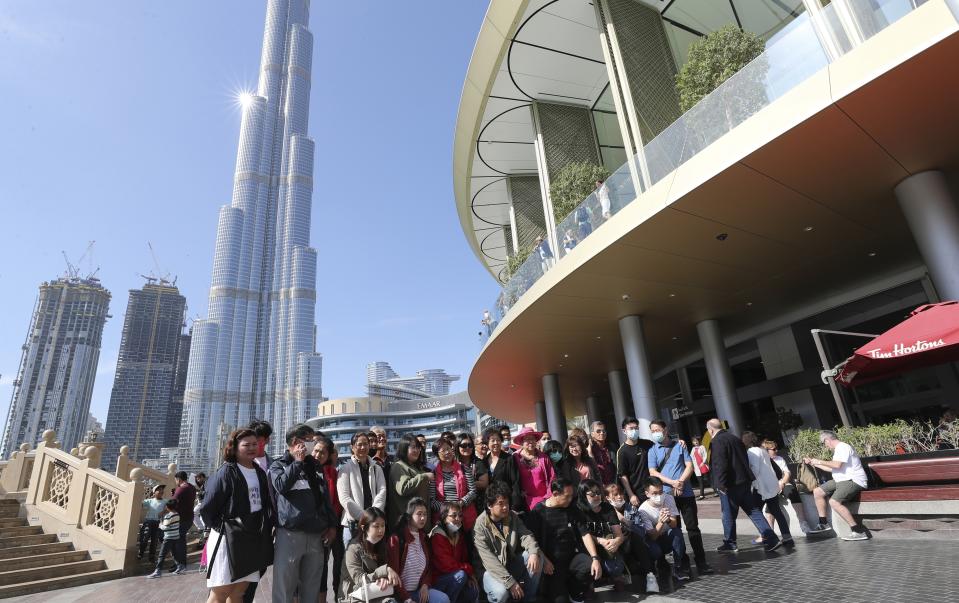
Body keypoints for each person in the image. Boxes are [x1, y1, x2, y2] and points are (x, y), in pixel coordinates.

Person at [200, 428, 275, 602]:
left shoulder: (260, 472)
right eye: (246, 445)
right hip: (228, 539)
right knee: (220, 592)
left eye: (254, 444)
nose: (251, 448)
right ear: (234, 447)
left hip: (251, 538)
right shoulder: (226, 472)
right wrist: (226, 528)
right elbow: (208, 509)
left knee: (239, 592)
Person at [269, 423, 338, 602]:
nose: (312, 445)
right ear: (295, 441)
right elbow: (280, 486)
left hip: (316, 535)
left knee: (312, 587)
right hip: (290, 535)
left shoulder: (315, 466)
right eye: (308, 441)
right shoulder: (278, 465)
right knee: (285, 587)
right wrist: (298, 462)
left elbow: (325, 498)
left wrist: (332, 525)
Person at [647, 420, 712, 576]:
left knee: (693, 528)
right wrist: (673, 483)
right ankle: (682, 562)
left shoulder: (679, 445)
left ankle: (701, 561)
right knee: (675, 529)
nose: (656, 432)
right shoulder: (652, 450)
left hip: (686, 493)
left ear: (665, 429)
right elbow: (653, 472)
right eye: (653, 430)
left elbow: (689, 465)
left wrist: (681, 482)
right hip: (667, 496)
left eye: (658, 429)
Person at [705, 418, 779, 552]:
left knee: (728, 514)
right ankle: (772, 538)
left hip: (729, 484)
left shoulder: (717, 441)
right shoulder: (734, 438)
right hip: (743, 482)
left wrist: (720, 484)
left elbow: (720, 463)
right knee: (754, 511)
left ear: (710, 430)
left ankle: (730, 543)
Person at [526, 478, 602, 603]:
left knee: (589, 566)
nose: (570, 499)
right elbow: (531, 540)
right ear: (555, 494)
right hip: (551, 566)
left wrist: (595, 558)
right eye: (567, 496)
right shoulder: (538, 511)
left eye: (572, 496)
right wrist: (544, 560)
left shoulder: (572, 509)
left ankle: (575, 591)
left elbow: (585, 534)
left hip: (572, 557)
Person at [473, 481, 542, 603]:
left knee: (535, 556)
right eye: (500, 504)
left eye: (507, 503)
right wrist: (510, 582)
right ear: (489, 505)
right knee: (501, 593)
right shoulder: (479, 526)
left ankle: (529, 599)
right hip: (490, 571)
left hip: (508, 565)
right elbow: (489, 560)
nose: (505, 507)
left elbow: (526, 535)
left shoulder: (511, 516)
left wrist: (533, 552)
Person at [805, 430, 870, 540]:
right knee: (818, 491)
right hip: (841, 479)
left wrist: (819, 461)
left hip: (853, 480)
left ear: (827, 440)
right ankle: (823, 523)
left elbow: (837, 464)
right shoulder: (838, 449)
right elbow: (832, 468)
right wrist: (814, 463)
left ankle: (858, 531)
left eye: (824, 443)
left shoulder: (843, 447)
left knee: (834, 502)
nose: (825, 446)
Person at [387, 498, 446, 603]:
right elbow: (394, 574)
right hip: (400, 594)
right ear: (409, 516)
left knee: (443, 599)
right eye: (419, 514)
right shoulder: (396, 539)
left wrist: (425, 585)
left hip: (419, 591)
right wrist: (406, 598)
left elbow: (429, 568)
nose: (423, 518)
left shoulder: (424, 538)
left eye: (425, 514)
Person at [241, 420, 275, 603]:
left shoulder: (274, 465)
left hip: (264, 531)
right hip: (242, 531)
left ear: (267, 440)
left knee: (256, 573)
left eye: (259, 441)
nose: (255, 445)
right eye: (251, 441)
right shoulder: (236, 465)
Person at [741, 431, 794, 547]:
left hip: (761, 487)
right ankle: (787, 537)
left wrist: (748, 480)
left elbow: (755, 469)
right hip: (772, 485)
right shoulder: (762, 450)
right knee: (777, 512)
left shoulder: (751, 452)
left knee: (755, 512)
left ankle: (767, 537)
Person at [604, 482, 658, 594]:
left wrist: (623, 520)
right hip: (616, 546)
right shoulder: (604, 511)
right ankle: (619, 577)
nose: (619, 497)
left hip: (632, 543)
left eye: (620, 494)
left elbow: (641, 532)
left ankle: (650, 575)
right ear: (607, 498)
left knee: (644, 543)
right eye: (615, 495)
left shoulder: (631, 509)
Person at [340, 507, 402, 603]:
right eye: (376, 526)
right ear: (364, 528)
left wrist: (384, 579)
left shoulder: (381, 545)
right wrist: (384, 571)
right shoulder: (353, 549)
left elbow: (385, 575)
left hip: (376, 593)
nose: (381, 530)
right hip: (354, 596)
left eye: (383, 525)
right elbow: (360, 580)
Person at [339, 432, 388, 547]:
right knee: (353, 560)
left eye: (365, 444)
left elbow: (382, 491)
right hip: (353, 525)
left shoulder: (377, 468)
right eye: (359, 444)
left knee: (374, 561)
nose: (363, 447)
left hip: (374, 524)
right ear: (352, 447)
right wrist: (365, 518)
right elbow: (344, 497)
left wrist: (373, 517)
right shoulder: (345, 469)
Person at [575, 479, 627, 587]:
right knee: (588, 567)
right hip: (588, 547)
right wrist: (599, 541)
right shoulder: (579, 510)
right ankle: (590, 583)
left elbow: (619, 534)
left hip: (607, 545)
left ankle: (613, 575)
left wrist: (616, 542)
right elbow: (583, 535)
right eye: (592, 494)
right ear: (583, 495)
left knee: (616, 568)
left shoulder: (607, 508)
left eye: (598, 492)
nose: (597, 496)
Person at [637, 477, 688, 584]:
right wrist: (660, 522)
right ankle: (652, 566)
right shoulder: (643, 510)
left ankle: (678, 567)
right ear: (647, 494)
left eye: (661, 492)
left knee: (677, 533)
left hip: (666, 536)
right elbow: (652, 536)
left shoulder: (669, 499)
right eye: (654, 493)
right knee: (654, 550)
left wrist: (668, 519)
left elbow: (674, 524)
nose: (659, 496)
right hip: (653, 540)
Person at [430, 501, 480, 603]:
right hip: (437, 580)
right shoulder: (437, 536)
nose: (458, 519)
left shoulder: (458, 534)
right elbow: (447, 566)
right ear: (444, 517)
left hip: (454, 575)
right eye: (453, 516)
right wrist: (468, 570)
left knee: (473, 591)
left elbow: (464, 558)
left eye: (460, 515)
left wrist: (469, 575)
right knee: (460, 576)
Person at [315, 435, 345, 603]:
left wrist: (332, 525)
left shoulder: (333, 472)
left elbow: (337, 501)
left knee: (339, 565)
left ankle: (338, 597)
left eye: (324, 451)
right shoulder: (307, 470)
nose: (319, 454)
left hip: (335, 527)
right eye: (317, 450)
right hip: (317, 529)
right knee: (321, 568)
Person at [762, 439, 811, 534]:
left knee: (792, 492)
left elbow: (787, 473)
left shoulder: (779, 459)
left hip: (782, 483)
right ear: (766, 451)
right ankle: (770, 533)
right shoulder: (763, 462)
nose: (776, 451)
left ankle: (803, 523)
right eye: (773, 449)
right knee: (769, 506)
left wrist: (782, 483)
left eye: (776, 448)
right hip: (769, 487)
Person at [389, 434, 435, 531]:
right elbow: (403, 488)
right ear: (404, 448)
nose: (417, 450)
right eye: (413, 447)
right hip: (407, 525)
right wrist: (424, 476)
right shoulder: (398, 466)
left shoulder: (415, 467)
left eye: (418, 447)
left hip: (419, 524)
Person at [431, 438, 478, 531]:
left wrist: (461, 503)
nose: (447, 452)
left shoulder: (464, 468)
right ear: (437, 454)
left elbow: (473, 491)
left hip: (466, 517)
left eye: (448, 448)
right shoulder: (434, 474)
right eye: (443, 450)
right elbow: (431, 500)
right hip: (445, 519)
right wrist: (447, 509)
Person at [513, 427, 555, 512]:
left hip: (544, 499)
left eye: (532, 439)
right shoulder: (515, 457)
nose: (531, 442)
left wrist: (548, 496)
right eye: (527, 439)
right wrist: (518, 493)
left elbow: (552, 477)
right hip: (524, 500)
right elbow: (512, 479)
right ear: (522, 442)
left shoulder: (544, 457)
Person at [616, 417, 654, 508]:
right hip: (637, 493)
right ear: (624, 431)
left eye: (636, 428)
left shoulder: (647, 444)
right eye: (631, 428)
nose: (634, 430)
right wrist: (631, 494)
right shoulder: (622, 451)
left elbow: (661, 447)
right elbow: (622, 475)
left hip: (653, 489)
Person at [483, 427, 523, 511]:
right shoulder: (484, 461)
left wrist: (514, 506)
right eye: (492, 440)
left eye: (498, 440)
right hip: (491, 504)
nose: (496, 443)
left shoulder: (509, 459)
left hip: (506, 503)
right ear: (487, 443)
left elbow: (515, 483)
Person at [148, 499, 186, 578]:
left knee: (162, 555)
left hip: (169, 538)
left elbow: (165, 528)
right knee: (174, 553)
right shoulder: (177, 514)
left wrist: (160, 525)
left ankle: (158, 571)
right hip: (176, 537)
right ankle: (180, 566)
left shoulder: (168, 516)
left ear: (167, 507)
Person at [456, 433, 489, 516]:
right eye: (463, 445)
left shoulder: (478, 463)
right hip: (457, 504)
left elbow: (484, 483)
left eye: (469, 445)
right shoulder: (453, 463)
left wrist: (464, 483)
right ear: (458, 447)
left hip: (476, 505)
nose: (467, 448)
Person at [171, 470, 196, 571]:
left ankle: (179, 564)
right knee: (181, 541)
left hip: (180, 519)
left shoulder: (180, 489)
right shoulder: (192, 487)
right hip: (189, 518)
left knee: (177, 542)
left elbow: (172, 504)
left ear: (179, 479)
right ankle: (181, 563)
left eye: (176, 480)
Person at [138, 484, 166, 561]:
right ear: (154, 493)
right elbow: (141, 504)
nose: (161, 491)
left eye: (162, 489)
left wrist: (163, 512)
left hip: (157, 523)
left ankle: (152, 556)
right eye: (158, 489)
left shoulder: (165, 501)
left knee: (154, 540)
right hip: (148, 522)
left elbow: (169, 508)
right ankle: (141, 553)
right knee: (144, 538)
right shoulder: (150, 501)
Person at [587, 421, 616, 487]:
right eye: (598, 431)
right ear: (592, 434)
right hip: (598, 487)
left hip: (614, 486)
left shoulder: (613, 447)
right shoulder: (589, 450)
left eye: (604, 431)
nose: (602, 433)